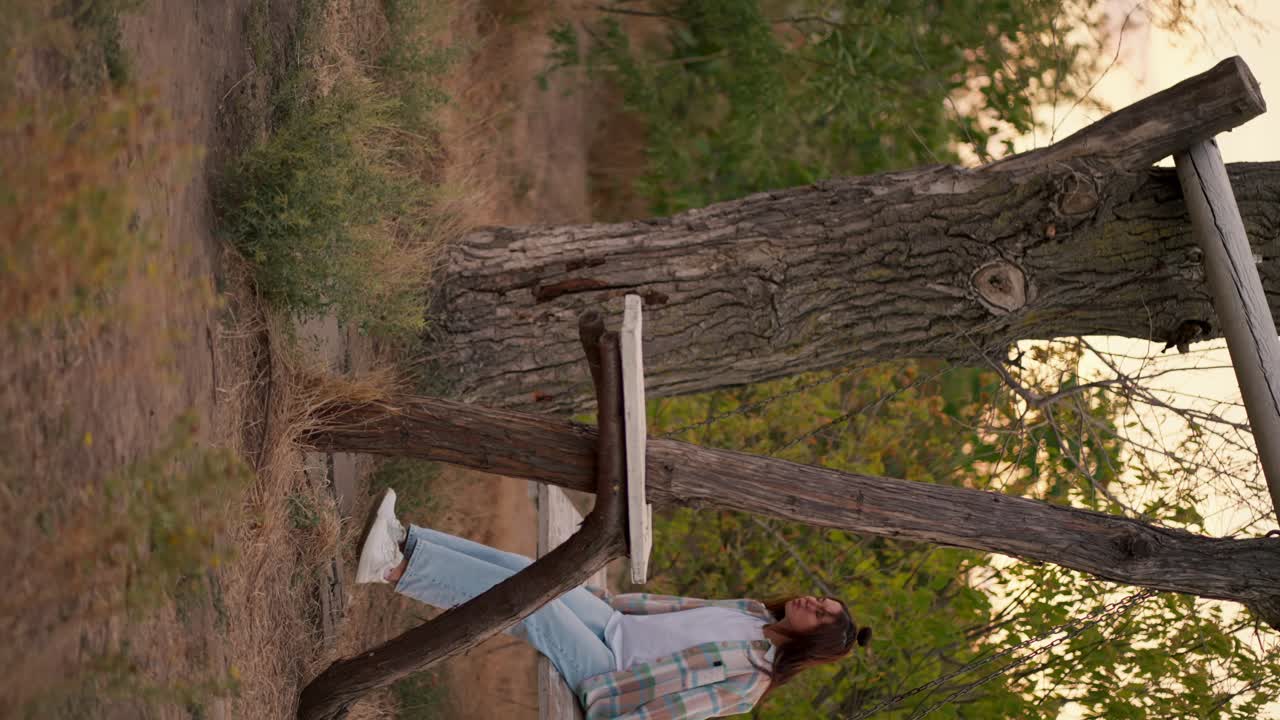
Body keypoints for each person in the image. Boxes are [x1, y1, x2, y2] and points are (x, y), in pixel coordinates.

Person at [356, 489, 872, 720]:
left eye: (821, 614)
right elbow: (673, 609)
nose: (812, 602)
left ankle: (390, 568)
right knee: (534, 574)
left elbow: (675, 712)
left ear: (816, 639)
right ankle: (409, 544)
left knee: (539, 607)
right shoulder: (753, 612)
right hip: (612, 624)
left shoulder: (750, 682)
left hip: (606, 671)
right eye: (821, 600)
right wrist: (605, 603)